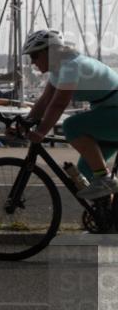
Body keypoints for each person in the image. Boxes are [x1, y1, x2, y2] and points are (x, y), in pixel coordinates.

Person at [22, 29, 118, 199]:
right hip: (108, 114)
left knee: (71, 126)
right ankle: (108, 221)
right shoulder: (59, 70)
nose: (32, 62)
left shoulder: (71, 66)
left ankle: (105, 179)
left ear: (48, 51)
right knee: (87, 172)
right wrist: (23, 124)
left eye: (34, 56)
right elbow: (44, 102)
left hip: (113, 114)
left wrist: (41, 132)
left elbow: (58, 104)